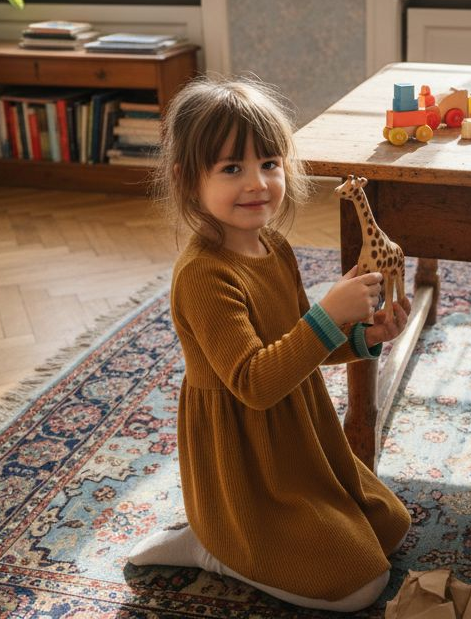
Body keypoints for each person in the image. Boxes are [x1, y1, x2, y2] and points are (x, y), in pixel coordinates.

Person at [127, 76, 413, 612]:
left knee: (391, 526)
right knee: (360, 588)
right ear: (188, 181)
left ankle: (244, 538)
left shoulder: (275, 246)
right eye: (232, 168)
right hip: (245, 459)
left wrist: (364, 336)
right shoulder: (204, 275)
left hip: (299, 437)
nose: (257, 182)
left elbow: (301, 345)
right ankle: (215, 545)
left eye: (270, 164)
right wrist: (329, 314)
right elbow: (256, 384)